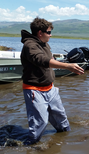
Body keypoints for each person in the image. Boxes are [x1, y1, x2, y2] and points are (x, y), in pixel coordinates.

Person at [20, 17, 84, 145]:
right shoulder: (30, 45)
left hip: (50, 89)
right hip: (35, 91)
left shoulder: (45, 44)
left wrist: (52, 86)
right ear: (40, 33)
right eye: (48, 32)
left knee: (62, 119)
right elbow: (41, 60)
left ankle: (66, 140)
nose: (51, 35)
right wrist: (67, 66)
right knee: (40, 123)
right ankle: (31, 148)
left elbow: (49, 60)